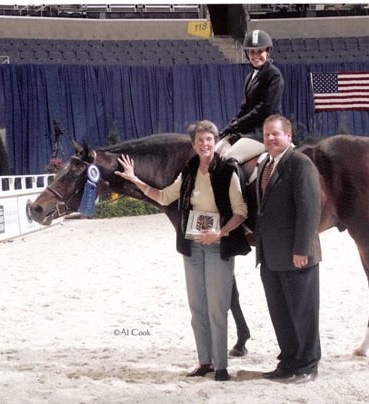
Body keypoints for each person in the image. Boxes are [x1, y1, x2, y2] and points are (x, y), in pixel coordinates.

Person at [115, 120, 251, 382]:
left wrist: (220, 232)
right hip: (191, 246)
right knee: (197, 307)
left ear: (215, 141)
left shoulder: (227, 171)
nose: (205, 144)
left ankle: (221, 366)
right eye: (200, 140)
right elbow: (165, 196)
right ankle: (205, 362)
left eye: (209, 139)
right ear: (194, 145)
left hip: (218, 246)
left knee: (217, 308)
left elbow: (241, 212)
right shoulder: (188, 171)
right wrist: (134, 179)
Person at [256, 114, 322, 382]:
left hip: (296, 254)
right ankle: (288, 361)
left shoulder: (300, 164)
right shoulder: (265, 164)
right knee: (280, 313)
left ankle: (308, 365)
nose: (270, 138)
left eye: (276, 134)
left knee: (303, 312)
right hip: (270, 255)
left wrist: (301, 249)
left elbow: (309, 210)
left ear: (289, 136)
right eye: (266, 135)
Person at [219, 29, 285, 164]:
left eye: (260, 51)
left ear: (267, 51)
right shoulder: (250, 77)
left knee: (228, 159)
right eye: (252, 52)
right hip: (249, 131)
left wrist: (238, 125)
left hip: (264, 131)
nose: (255, 56)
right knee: (216, 152)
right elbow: (245, 107)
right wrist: (231, 126)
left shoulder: (273, 75)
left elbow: (265, 109)